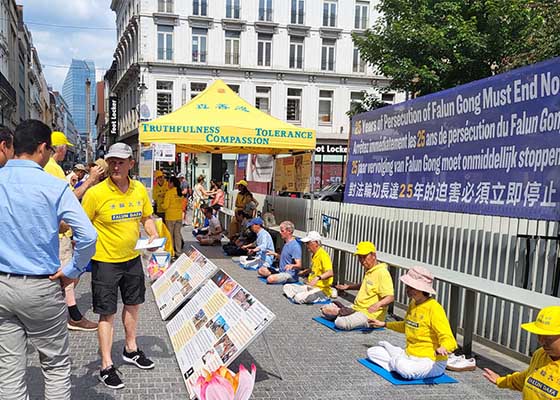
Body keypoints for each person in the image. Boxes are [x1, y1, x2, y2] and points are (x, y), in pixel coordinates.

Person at [0, 119, 97, 399]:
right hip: (40, 286)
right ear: (43, 148)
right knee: (55, 366)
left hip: (3, 286)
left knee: (8, 370)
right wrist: (73, 269)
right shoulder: (53, 186)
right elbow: (88, 236)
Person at [82, 142, 160, 389]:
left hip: (132, 258)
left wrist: (152, 234)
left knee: (133, 305)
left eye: (121, 161)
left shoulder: (138, 189)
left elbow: (146, 217)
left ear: (130, 164)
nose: (116, 166)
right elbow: (82, 225)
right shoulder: (95, 193)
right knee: (107, 312)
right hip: (105, 262)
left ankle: (131, 348)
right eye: (112, 161)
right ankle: (106, 364)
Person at [44, 130, 102, 332]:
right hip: (60, 233)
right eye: (65, 148)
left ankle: (68, 313)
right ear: (59, 148)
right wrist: (90, 180)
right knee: (68, 274)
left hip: (57, 232)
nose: (65, 151)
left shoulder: (49, 167)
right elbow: (69, 200)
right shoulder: (54, 169)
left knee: (65, 276)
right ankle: (72, 316)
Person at [367, 266, 457, 380]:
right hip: (409, 354)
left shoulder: (434, 308)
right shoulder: (413, 303)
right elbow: (406, 325)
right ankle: (397, 362)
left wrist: (443, 347)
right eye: (408, 286)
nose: (408, 290)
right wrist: (384, 324)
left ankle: (397, 363)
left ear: (423, 289)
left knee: (406, 370)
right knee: (372, 352)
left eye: (412, 287)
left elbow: (449, 339)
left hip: (430, 361)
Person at [483, 305, 560, 399]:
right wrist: (501, 381)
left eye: (548, 338)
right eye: (539, 335)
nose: (541, 341)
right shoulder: (540, 354)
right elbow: (527, 377)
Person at [320, 241, 395, 330]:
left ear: (373, 255)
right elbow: (364, 285)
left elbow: (390, 297)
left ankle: (341, 312)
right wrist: (348, 287)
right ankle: (343, 312)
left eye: (364, 257)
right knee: (324, 309)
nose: (362, 261)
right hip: (357, 308)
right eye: (360, 258)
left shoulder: (382, 273)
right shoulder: (369, 270)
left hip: (369, 314)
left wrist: (378, 305)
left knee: (340, 323)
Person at [283, 231, 334, 304]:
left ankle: (320, 297)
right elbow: (314, 269)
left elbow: (330, 272)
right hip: (310, 286)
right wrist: (304, 272)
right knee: (287, 287)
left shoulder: (323, 255)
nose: (306, 245)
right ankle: (302, 295)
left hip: (321, 289)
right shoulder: (315, 254)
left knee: (298, 298)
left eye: (308, 243)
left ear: (316, 243)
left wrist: (317, 278)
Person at [162, 177, 184, 255]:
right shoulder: (179, 192)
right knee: (177, 234)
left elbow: (165, 206)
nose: (168, 184)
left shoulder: (169, 193)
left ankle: (171, 251)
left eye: (169, 182)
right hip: (178, 216)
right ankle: (178, 251)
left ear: (172, 183)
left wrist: (161, 204)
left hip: (170, 216)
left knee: (170, 234)